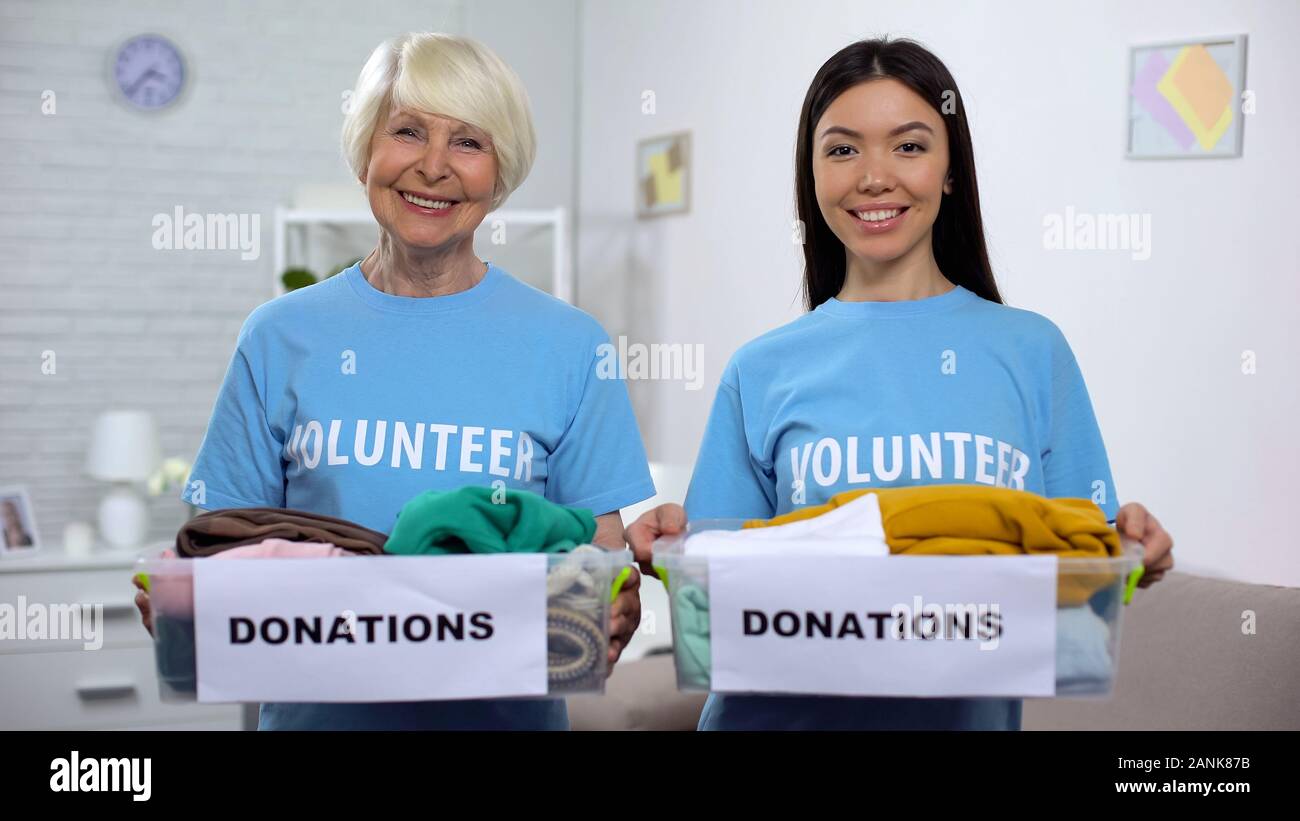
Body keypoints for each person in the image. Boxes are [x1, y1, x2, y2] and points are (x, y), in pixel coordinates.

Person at [626, 37, 1175, 731]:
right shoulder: (761, 369)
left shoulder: (1032, 351)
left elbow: (1079, 583)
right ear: (812, 174)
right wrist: (664, 551)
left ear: (950, 172)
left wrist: (1133, 555)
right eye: (843, 149)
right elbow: (713, 607)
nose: (875, 177)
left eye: (910, 147)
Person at [133, 32, 655, 730]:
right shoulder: (279, 335)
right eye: (407, 131)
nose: (433, 167)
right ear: (366, 152)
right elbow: (220, 543)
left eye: (469, 142)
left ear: (499, 175)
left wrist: (615, 604)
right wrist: (179, 602)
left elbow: (597, 557)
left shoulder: (569, 344)